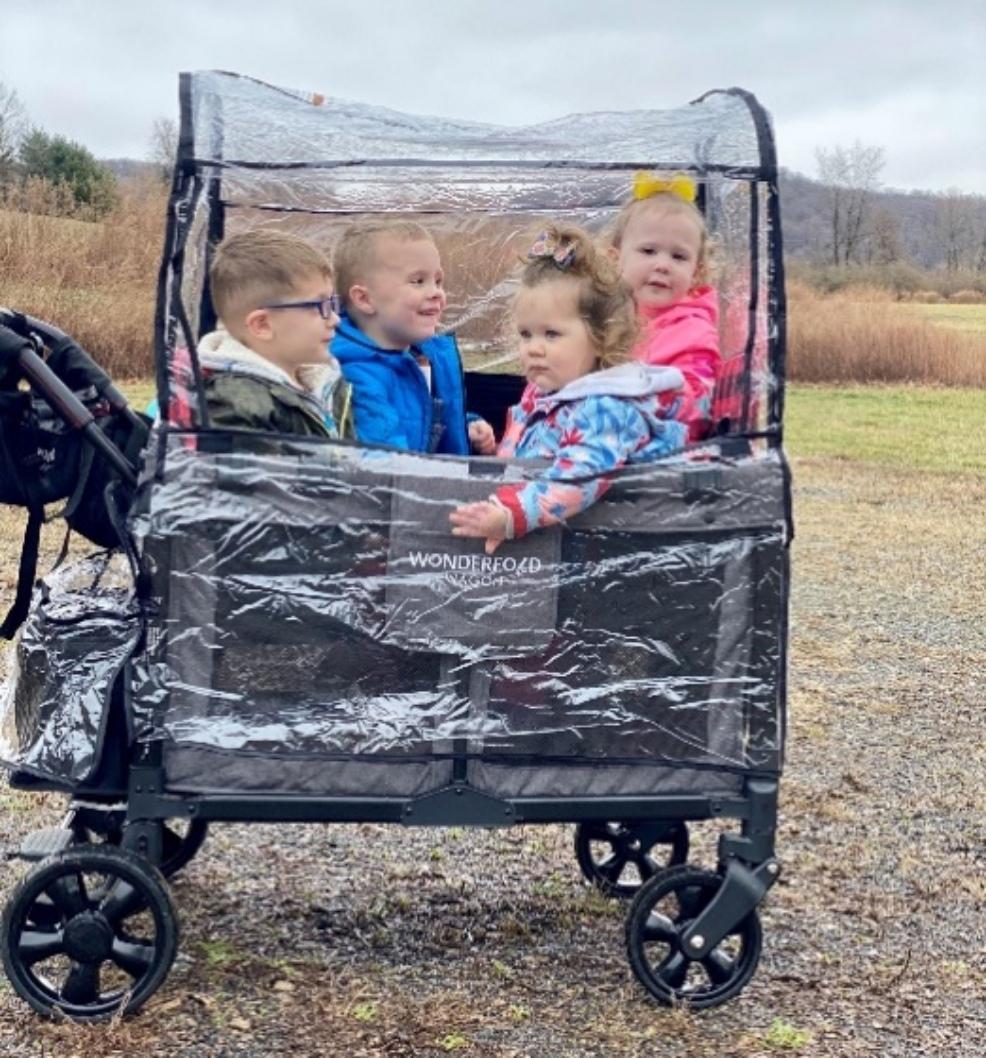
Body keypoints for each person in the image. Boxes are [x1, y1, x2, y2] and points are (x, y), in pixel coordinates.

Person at [449, 225, 687, 553]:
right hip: (548, 543)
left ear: (601, 337)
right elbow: (536, 453)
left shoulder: (607, 407)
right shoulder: (545, 394)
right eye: (525, 334)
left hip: (592, 550)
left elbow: (579, 476)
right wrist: (493, 452)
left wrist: (513, 515)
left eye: (551, 334)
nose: (533, 348)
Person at [330, 219, 495, 454]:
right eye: (418, 281)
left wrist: (467, 424)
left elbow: (421, 416)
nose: (436, 293)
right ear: (365, 299)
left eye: (438, 281)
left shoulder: (419, 354)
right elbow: (393, 472)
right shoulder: (358, 378)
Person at [189, 229, 352, 436]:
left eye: (332, 303)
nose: (335, 319)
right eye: (319, 306)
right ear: (262, 325)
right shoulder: (233, 408)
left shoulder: (326, 384)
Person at [609, 172, 721, 442]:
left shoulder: (694, 332)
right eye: (648, 251)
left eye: (678, 256)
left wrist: (628, 405)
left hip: (659, 456)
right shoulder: (602, 317)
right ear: (616, 259)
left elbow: (695, 405)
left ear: (696, 272)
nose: (662, 264)